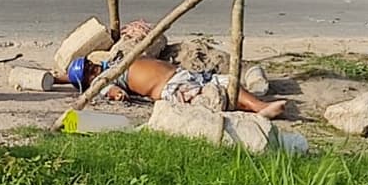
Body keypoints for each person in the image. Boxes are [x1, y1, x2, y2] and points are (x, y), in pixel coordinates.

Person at [65, 55, 287, 119]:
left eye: (90, 64)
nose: (93, 67)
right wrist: (116, 93)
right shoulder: (101, 82)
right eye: (88, 70)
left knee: (228, 82)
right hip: (170, 87)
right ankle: (259, 109)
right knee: (213, 96)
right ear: (86, 80)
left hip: (183, 75)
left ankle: (257, 106)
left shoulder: (112, 63)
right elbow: (113, 92)